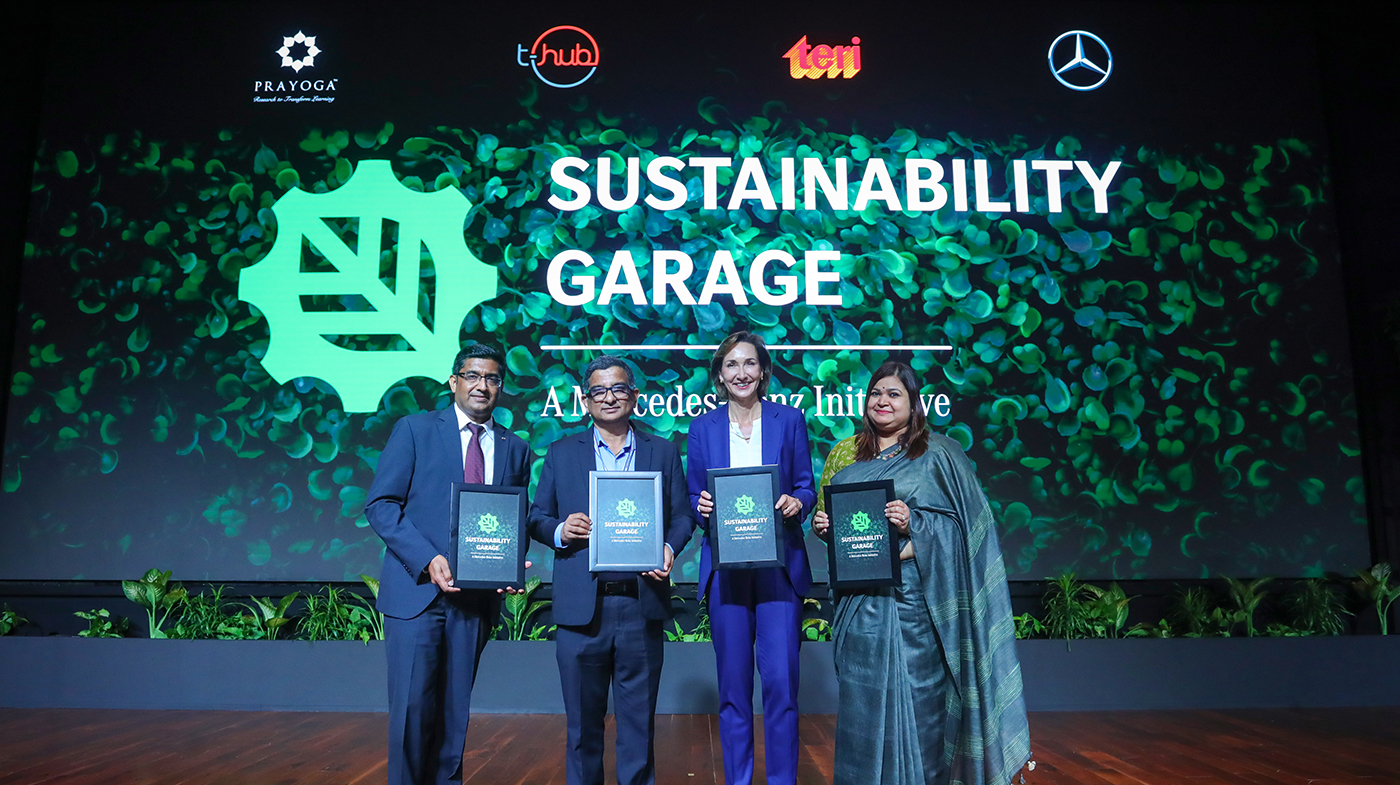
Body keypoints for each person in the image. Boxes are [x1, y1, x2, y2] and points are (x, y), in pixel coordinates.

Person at [812, 361, 1030, 785]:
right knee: (863, 710)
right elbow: (848, 531)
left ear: (914, 406)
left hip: (916, 609)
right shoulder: (846, 455)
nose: (883, 401)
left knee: (920, 711)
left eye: (894, 394)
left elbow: (961, 528)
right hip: (862, 607)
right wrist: (825, 530)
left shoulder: (938, 455)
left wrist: (916, 524)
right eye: (876, 392)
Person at [364, 343, 533, 785]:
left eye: (493, 378)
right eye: (473, 376)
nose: (483, 385)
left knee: (455, 715)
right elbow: (381, 505)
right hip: (416, 594)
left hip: (475, 601)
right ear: (454, 381)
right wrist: (429, 559)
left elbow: (511, 517)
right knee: (411, 711)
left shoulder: (515, 448)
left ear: (501, 387)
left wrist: (510, 561)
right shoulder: (415, 430)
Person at [526, 355, 695, 785]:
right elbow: (536, 516)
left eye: (618, 388)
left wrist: (670, 547)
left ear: (634, 396)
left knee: (638, 727)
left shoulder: (662, 450)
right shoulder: (562, 453)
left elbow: (682, 517)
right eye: (599, 391)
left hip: (641, 605)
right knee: (582, 728)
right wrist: (563, 529)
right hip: (582, 608)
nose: (609, 397)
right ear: (586, 401)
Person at [686, 331, 815, 785]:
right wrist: (701, 507)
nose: (741, 373)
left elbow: (806, 485)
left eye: (749, 364)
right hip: (727, 571)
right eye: (730, 365)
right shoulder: (702, 428)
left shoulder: (789, 419)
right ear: (719, 376)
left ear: (763, 371)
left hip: (780, 569)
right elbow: (693, 496)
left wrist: (798, 503)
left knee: (781, 686)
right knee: (734, 692)